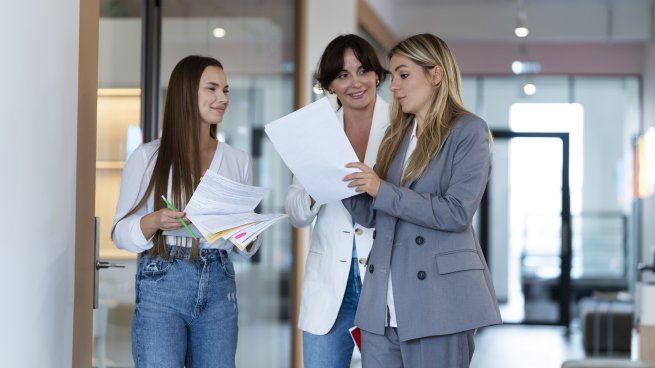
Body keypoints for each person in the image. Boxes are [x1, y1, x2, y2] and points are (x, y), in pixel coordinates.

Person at [342, 34, 502, 367]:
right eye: (393, 76)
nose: (394, 86)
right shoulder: (396, 134)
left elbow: (456, 212)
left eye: (403, 74)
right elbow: (374, 214)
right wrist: (337, 184)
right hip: (381, 306)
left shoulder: (468, 131)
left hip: (438, 303)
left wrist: (380, 188)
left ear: (436, 74)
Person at [111, 55, 260, 368]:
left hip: (219, 281)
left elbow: (247, 245)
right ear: (186, 93)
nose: (223, 98)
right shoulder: (147, 157)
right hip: (162, 279)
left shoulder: (238, 160)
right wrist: (153, 221)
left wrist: (245, 231)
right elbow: (120, 233)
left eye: (226, 90)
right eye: (212, 88)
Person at [285, 34, 389, 367]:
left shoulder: (402, 124)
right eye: (343, 75)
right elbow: (296, 212)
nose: (355, 82)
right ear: (330, 83)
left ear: (376, 74)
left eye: (362, 71)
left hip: (385, 281)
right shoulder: (316, 130)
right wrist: (318, 188)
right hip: (330, 286)